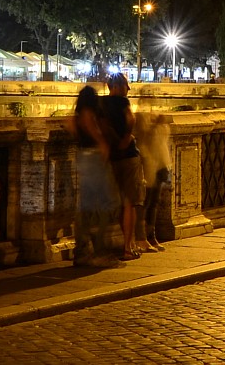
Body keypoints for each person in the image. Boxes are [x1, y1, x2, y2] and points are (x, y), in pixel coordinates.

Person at [71, 85, 121, 267]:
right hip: (93, 159)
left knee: (88, 206)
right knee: (106, 204)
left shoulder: (76, 116)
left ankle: (84, 249)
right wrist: (102, 143)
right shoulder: (87, 115)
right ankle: (96, 249)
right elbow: (95, 134)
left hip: (83, 157)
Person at [102, 74, 146, 259]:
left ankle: (126, 244)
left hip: (110, 157)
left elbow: (101, 127)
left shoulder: (101, 104)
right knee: (130, 203)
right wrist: (127, 137)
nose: (128, 90)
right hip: (128, 156)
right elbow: (131, 119)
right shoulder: (122, 102)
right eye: (127, 86)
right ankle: (128, 247)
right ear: (119, 86)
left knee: (119, 204)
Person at [135, 108, 174, 252]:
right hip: (150, 168)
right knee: (146, 203)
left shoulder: (159, 124)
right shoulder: (143, 124)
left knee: (154, 202)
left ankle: (151, 236)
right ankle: (142, 237)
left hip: (160, 166)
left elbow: (164, 138)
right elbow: (144, 143)